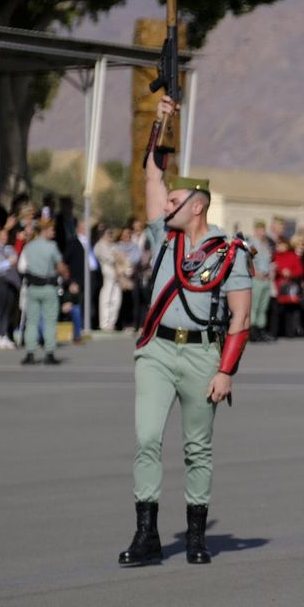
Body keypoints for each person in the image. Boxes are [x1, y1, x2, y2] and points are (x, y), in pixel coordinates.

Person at [119, 97, 253, 567]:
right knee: (146, 438)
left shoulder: (230, 252)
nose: (165, 205)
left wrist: (227, 371)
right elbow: (151, 175)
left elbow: (240, 317)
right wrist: (160, 122)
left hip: (202, 357)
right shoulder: (164, 238)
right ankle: (146, 534)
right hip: (156, 351)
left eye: (174, 202)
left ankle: (196, 535)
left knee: (197, 448)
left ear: (197, 207)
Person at [18, 218, 67, 364]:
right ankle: (49, 353)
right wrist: (64, 272)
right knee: (50, 321)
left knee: (31, 321)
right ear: (44, 231)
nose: (53, 232)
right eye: (51, 230)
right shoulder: (52, 246)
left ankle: (30, 353)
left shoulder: (29, 246)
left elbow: (22, 267)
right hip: (48, 286)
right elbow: (60, 266)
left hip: (33, 287)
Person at [248, 220, 274, 341]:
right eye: (260, 230)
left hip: (266, 278)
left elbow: (269, 261)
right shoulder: (253, 243)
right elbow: (249, 261)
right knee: (255, 306)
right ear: (255, 230)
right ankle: (253, 331)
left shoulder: (266, 244)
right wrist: (256, 273)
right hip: (257, 278)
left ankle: (261, 329)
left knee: (263, 306)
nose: (262, 232)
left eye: (263, 230)